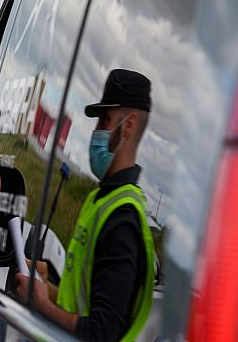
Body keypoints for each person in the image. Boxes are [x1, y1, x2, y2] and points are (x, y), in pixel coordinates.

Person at [15, 69, 156, 341]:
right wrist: (47, 288)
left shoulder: (122, 218)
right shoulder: (100, 199)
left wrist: (41, 303)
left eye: (104, 120)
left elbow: (101, 332)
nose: (96, 131)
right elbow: (79, 304)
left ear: (128, 125)